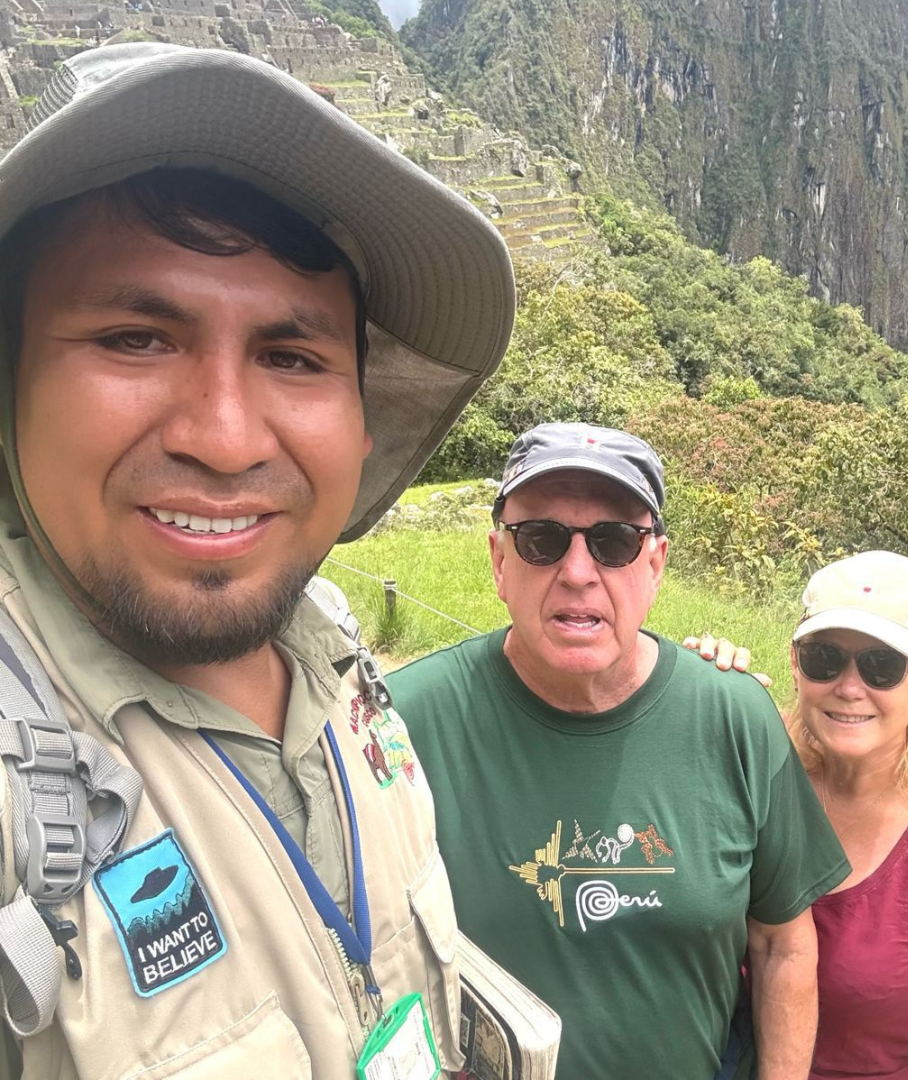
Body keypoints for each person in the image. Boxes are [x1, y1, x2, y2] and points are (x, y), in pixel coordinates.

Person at [0, 41, 514, 1078]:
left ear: (361, 424)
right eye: (135, 337)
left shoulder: (342, 667)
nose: (227, 439)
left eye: (292, 357)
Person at [389, 422, 851, 1080]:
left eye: (613, 542)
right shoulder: (401, 726)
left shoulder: (734, 718)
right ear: (499, 561)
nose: (578, 573)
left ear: (654, 565)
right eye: (542, 539)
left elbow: (783, 944)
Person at [694, 551, 908, 1079]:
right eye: (825, 658)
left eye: (882, 666)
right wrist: (700, 688)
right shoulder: (760, 768)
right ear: (795, 663)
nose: (850, 687)